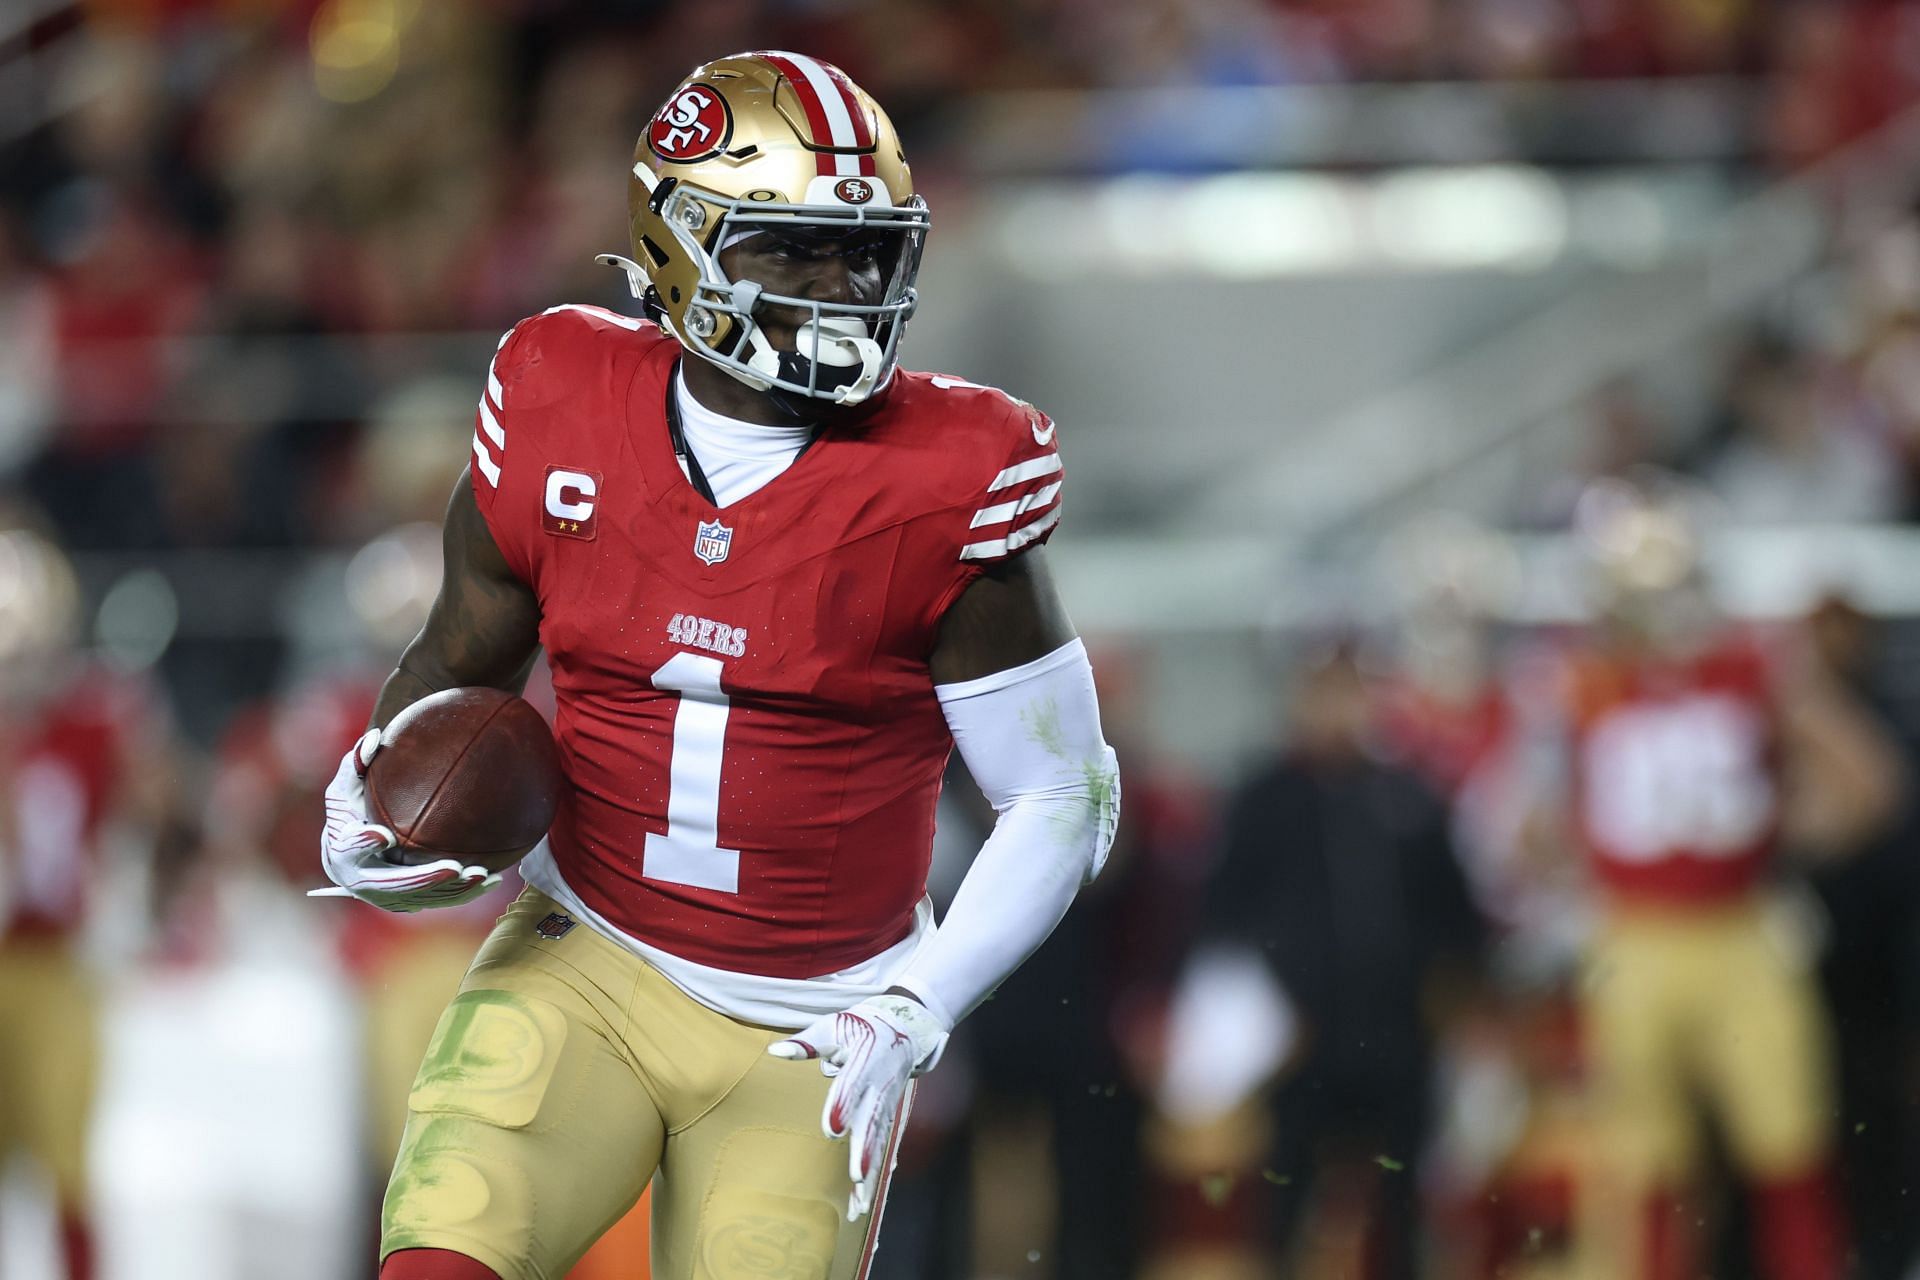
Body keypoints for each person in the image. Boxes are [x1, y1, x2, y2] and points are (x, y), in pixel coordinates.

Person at [314, 51, 1120, 1280]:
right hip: (583, 952)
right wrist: (376, 800)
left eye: (865, 254)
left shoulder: (955, 470)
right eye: (792, 250)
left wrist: (919, 999)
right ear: (682, 244)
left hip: (814, 1019)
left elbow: (1064, 790)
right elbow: (461, 650)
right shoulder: (556, 389)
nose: (840, 287)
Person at [1540, 474, 1901, 1280]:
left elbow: (1868, 783)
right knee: (1645, 1165)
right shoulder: (1580, 682)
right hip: (1632, 932)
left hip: (1740, 928)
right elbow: (1534, 826)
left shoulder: (1752, 668)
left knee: (1789, 1144)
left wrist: (1782, 832)